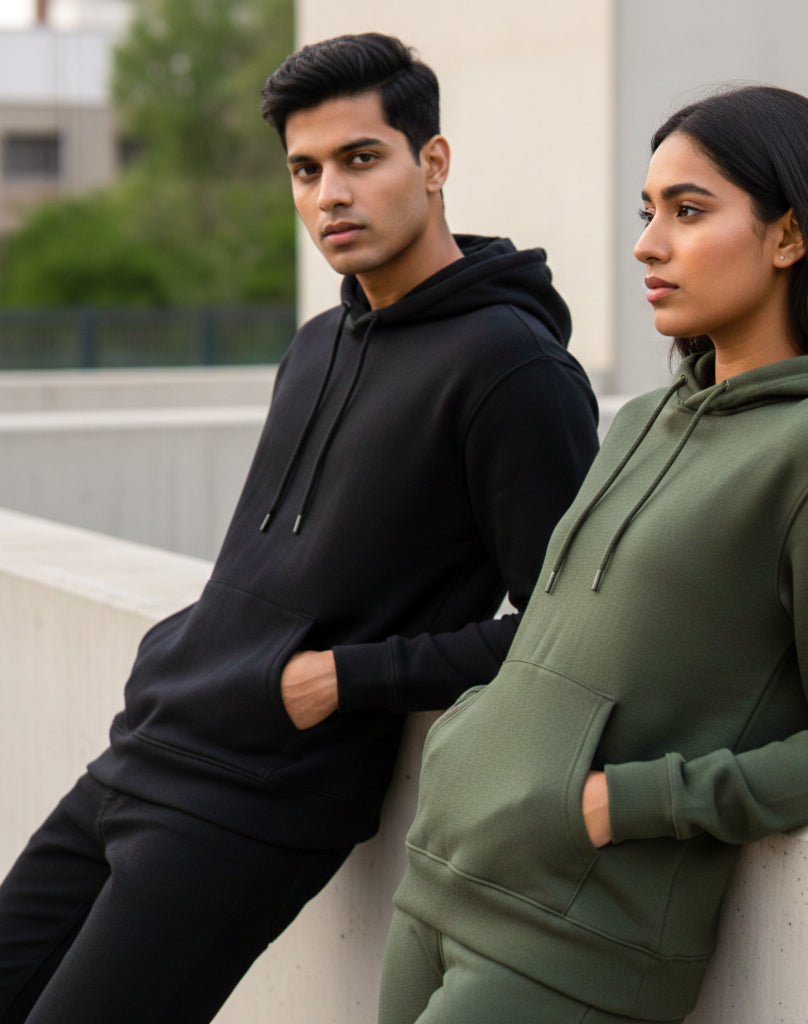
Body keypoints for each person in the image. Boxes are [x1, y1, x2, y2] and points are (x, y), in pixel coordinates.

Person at [0, 32, 599, 1024]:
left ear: (433, 162)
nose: (330, 194)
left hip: (250, 805)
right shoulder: (318, 342)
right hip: (144, 749)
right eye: (306, 169)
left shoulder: (513, 370)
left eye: (361, 158)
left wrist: (339, 679)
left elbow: (569, 632)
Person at [378, 85, 808, 1024]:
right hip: (444, 875)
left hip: (573, 940)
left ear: (789, 236)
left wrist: (625, 801)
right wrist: (472, 745)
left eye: (688, 212)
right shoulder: (642, 421)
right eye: (647, 212)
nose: (649, 245)